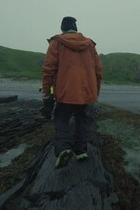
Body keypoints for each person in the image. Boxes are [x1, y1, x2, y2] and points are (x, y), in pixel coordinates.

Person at [41, 16, 103, 169]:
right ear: (75, 28)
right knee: (82, 120)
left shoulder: (57, 43)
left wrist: (46, 91)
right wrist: (95, 92)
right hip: (86, 92)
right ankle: (80, 151)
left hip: (65, 91)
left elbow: (48, 69)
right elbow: (98, 71)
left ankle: (63, 149)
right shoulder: (89, 45)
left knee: (61, 119)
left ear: (62, 28)